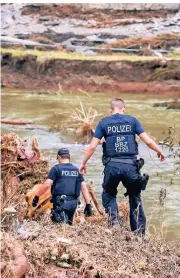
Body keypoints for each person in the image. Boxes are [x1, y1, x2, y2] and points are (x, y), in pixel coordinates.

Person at [79, 98, 165, 234]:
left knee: (109, 193)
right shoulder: (132, 121)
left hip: (112, 166)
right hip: (131, 166)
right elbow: (148, 141)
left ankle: (114, 222)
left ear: (110, 109)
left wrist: (83, 163)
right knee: (135, 196)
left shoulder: (103, 123)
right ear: (124, 109)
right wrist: (159, 151)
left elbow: (92, 147)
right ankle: (139, 232)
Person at [32, 148, 93, 225]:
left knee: (60, 227)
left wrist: (37, 196)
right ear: (69, 157)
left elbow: (47, 184)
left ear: (59, 157)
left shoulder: (56, 169)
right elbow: (83, 188)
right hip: (73, 204)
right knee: (68, 225)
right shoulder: (76, 170)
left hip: (61, 203)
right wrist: (88, 205)